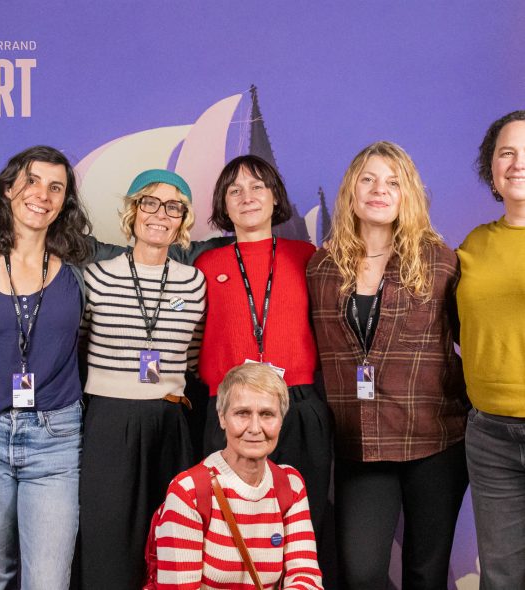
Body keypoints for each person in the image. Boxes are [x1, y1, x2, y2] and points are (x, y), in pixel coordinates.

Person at [307, 141, 469, 590]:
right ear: (351, 191)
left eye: (393, 182)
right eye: (369, 179)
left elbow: (475, 341)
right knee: (361, 573)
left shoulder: (440, 261)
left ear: (407, 194)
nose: (380, 190)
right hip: (361, 443)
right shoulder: (322, 267)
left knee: (425, 574)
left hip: (435, 440)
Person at [0, 146, 101, 590]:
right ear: (8, 189)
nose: (43, 194)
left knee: (48, 581)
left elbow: (153, 247)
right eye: (32, 181)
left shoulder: (81, 264)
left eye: (56, 187)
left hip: (55, 439)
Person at [194, 155, 332, 565]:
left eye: (257, 186)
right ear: (223, 204)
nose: (247, 196)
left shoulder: (307, 257)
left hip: (298, 405)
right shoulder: (206, 265)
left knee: (300, 533)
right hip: (229, 410)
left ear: (275, 197)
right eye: (234, 190)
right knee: (228, 538)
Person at [79, 169, 206, 590]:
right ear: (133, 212)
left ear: (183, 220)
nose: (160, 215)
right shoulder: (97, 278)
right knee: (108, 538)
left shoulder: (194, 283)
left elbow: (191, 354)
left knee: (171, 541)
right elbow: (79, 343)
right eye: (149, 203)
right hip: (109, 420)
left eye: (173, 207)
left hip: (169, 420)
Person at [154, 362, 323, 588]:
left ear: (281, 421)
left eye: (267, 414)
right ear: (222, 418)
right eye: (242, 413)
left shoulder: (291, 485)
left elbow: (306, 577)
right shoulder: (188, 491)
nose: (255, 428)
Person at [456, 110, 525, 588]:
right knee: (500, 577)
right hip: (489, 434)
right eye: (507, 153)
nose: (518, 164)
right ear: (492, 167)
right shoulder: (474, 245)